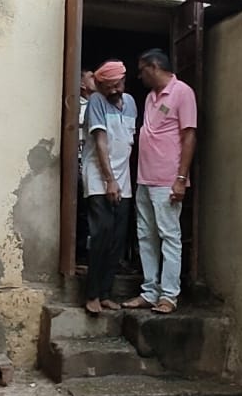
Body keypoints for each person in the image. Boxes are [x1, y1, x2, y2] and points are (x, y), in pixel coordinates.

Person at [123, 49, 197, 314]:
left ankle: (169, 295)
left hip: (167, 179)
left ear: (154, 67)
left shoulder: (182, 92)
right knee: (146, 236)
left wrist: (181, 178)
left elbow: (189, 136)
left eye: (142, 70)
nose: (139, 76)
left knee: (169, 236)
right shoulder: (151, 97)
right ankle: (149, 291)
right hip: (145, 178)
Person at [81, 60, 137, 315]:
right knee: (101, 233)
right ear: (100, 86)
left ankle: (105, 293)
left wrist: (120, 181)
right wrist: (109, 180)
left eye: (117, 85)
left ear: (124, 81)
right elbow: (101, 142)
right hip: (99, 178)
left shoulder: (131, 103)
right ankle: (91, 294)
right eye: (108, 86)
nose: (114, 90)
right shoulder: (96, 101)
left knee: (117, 238)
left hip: (123, 180)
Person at [75, 70, 95, 271]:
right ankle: (81, 253)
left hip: (95, 164)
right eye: (91, 77)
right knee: (82, 211)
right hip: (79, 162)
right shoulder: (77, 107)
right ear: (81, 84)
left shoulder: (100, 104)